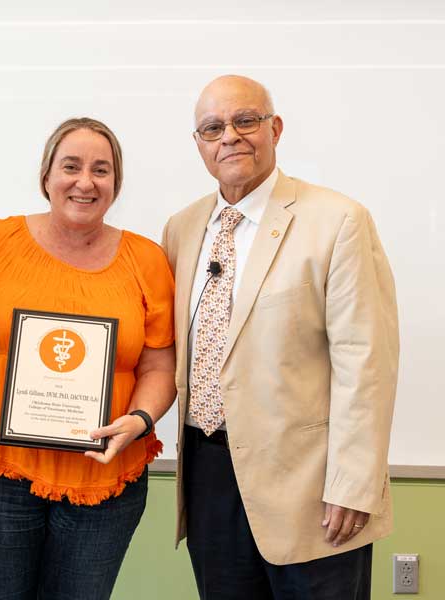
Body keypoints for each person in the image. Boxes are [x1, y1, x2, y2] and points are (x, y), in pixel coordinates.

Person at [162, 74, 399, 599]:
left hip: (311, 491)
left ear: (276, 128)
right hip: (210, 479)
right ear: (198, 143)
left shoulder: (337, 221)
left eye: (245, 120)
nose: (230, 136)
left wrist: (354, 484)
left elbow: (367, 362)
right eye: (212, 127)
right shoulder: (181, 228)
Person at [0, 117, 177, 599]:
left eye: (102, 170)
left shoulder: (147, 260)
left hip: (104, 474)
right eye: (70, 166)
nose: (85, 181)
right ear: (46, 176)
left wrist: (139, 420)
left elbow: (159, 364)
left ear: (115, 183)